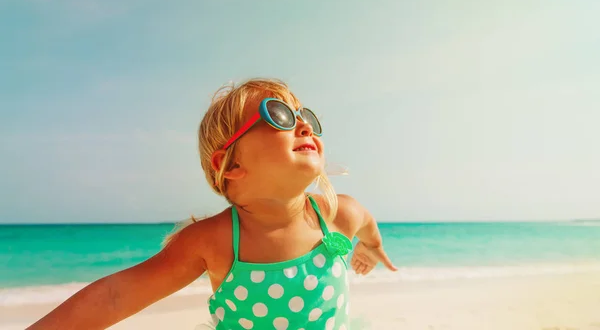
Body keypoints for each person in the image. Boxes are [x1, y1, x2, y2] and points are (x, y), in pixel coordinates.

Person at [27, 78, 397, 330]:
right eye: (280, 116)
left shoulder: (339, 214)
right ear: (230, 165)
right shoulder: (214, 240)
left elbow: (367, 226)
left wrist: (371, 247)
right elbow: (114, 296)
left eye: (307, 118)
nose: (304, 126)